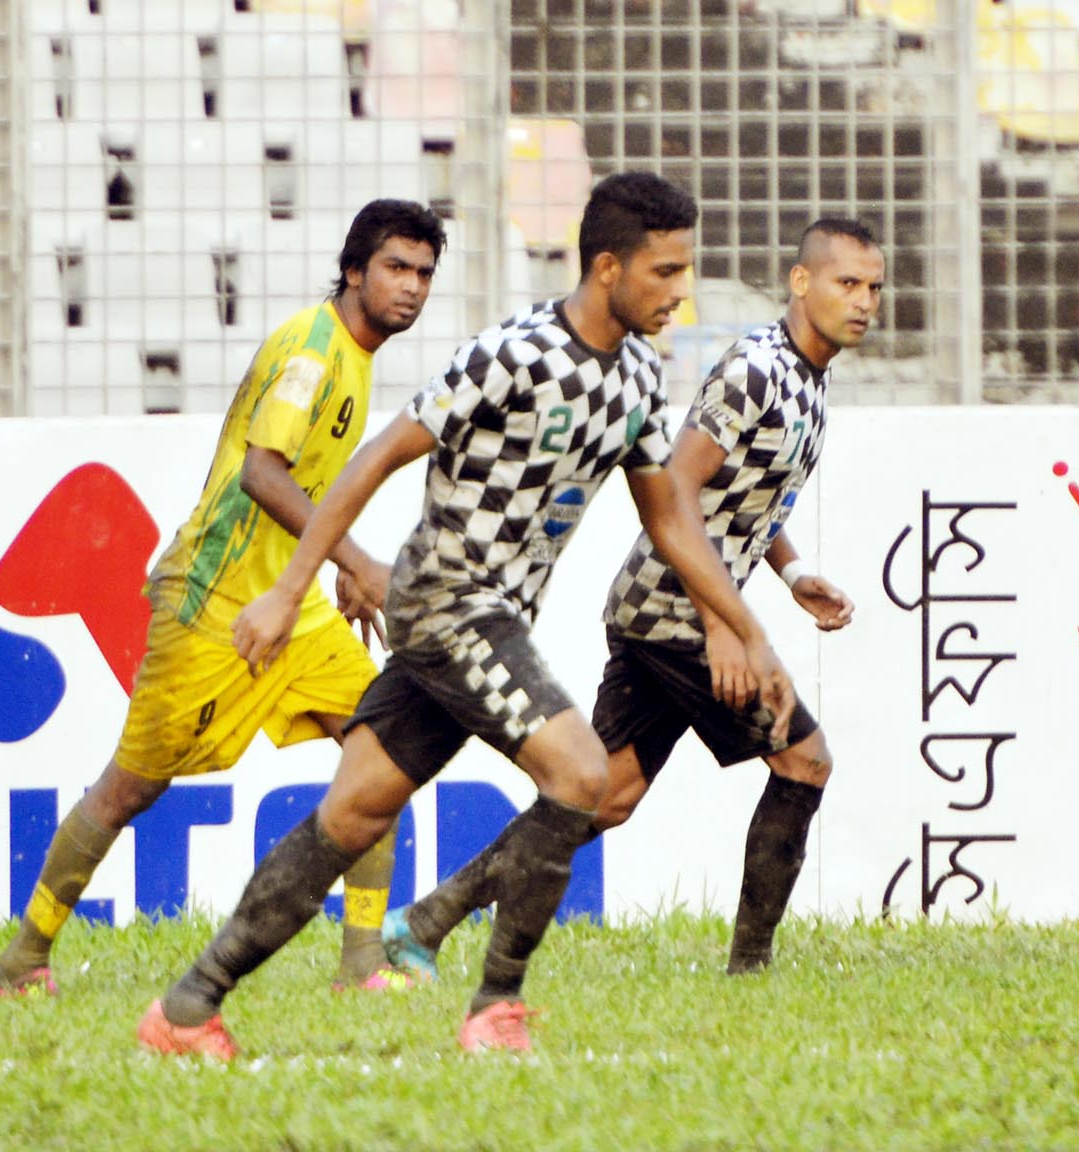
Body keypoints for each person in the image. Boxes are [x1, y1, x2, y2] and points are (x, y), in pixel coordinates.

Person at [136, 171, 798, 1060]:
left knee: (353, 815)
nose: (682, 291)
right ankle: (496, 1010)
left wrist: (745, 626)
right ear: (608, 267)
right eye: (666, 271)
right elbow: (377, 458)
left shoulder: (638, 373)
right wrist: (290, 589)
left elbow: (669, 518)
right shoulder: (516, 353)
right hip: (448, 601)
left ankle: (186, 1008)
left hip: (491, 615)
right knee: (579, 773)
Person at [385, 219, 882, 981]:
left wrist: (791, 570)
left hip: (665, 611)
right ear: (801, 282)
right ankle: (750, 973)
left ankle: (430, 916)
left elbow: (744, 498)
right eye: (848, 283)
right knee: (805, 761)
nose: (865, 302)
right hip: (675, 615)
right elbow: (675, 489)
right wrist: (723, 627)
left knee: (603, 799)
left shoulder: (809, 383)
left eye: (875, 288)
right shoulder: (756, 369)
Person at [0, 200, 446, 999]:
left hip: (288, 602)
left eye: (424, 274)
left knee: (383, 752)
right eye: (396, 268)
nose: (411, 287)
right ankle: (20, 963)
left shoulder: (353, 352)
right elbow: (261, 472)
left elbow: (308, 475)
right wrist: (357, 558)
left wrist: (326, 568)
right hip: (215, 604)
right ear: (353, 271)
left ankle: (363, 964)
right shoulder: (312, 353)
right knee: (130, 788)